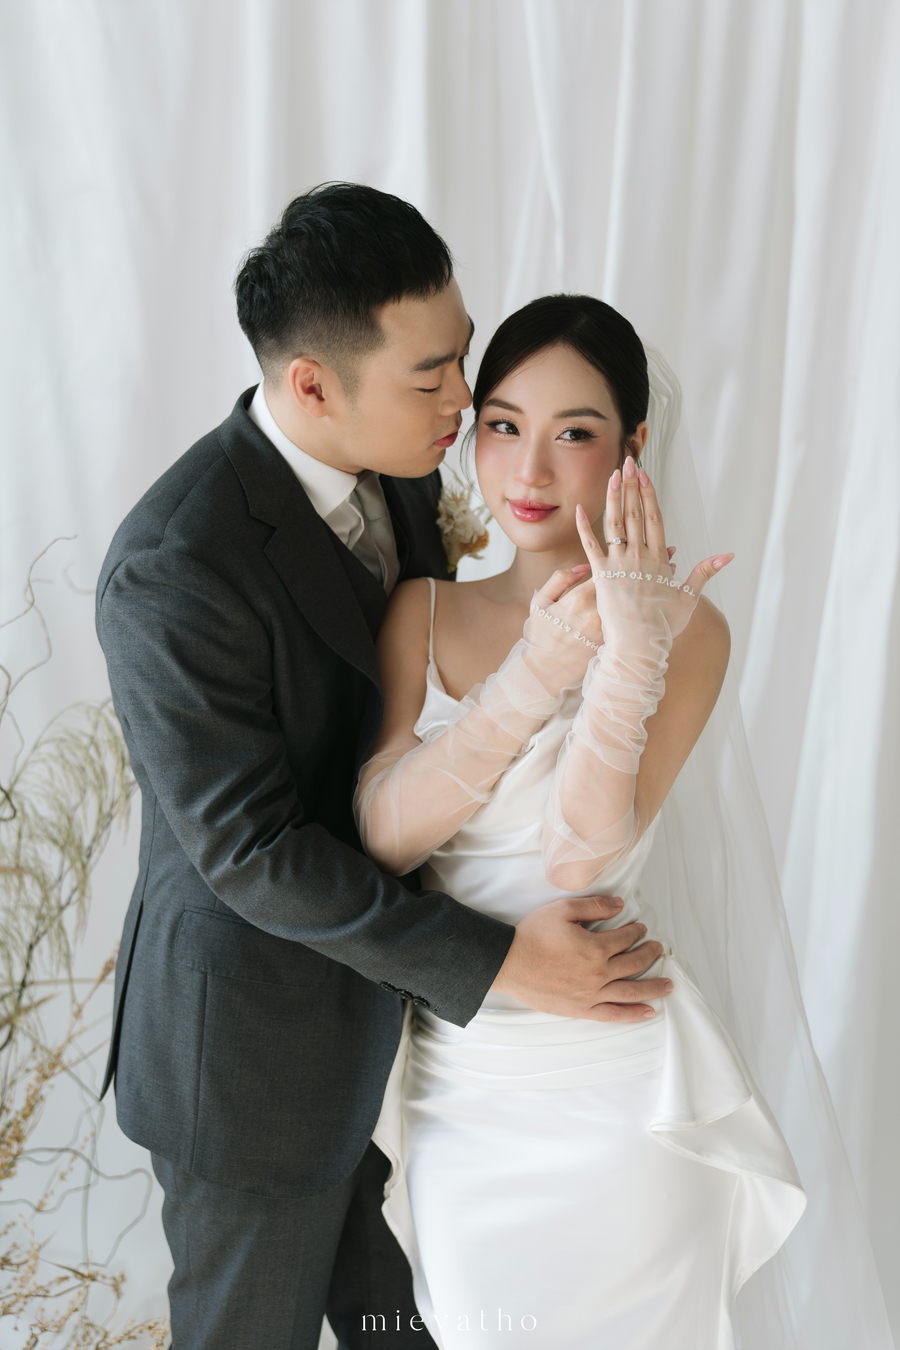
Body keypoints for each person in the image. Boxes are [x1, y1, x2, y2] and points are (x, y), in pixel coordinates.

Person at [95, 188, 673, 1350]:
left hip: (420, 1070)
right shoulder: (174, 564)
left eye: (462, 357)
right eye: (433, 377)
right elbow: (253, 854)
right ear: (313, 385)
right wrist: (501, 962)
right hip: (255, 1066)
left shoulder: (402, 471)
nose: (465, 402)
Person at [356, 296, 810, 1348]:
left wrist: (630, 655)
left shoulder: (687, 630)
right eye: (504, 424)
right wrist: (534, 673)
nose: (529, 469)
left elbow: (579, 857)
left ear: (633, 447)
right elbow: (385, 835)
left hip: (620, 1089)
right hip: (465, 1085)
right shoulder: (424, 609)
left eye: (574, 433)